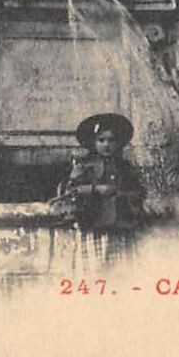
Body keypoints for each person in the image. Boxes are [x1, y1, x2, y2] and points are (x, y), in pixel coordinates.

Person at [55, 113, 144, 269]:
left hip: (119, 225)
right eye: (101, 140)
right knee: (95, 268)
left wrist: (123, 195)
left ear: (118, 143)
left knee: (120, 268)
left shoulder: (124, 166)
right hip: (93, 222)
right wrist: (95, 189)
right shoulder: (85, 165)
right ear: (93, 142)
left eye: (111, 140)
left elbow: (138, 191)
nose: (106, 145)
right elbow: (70, 190)